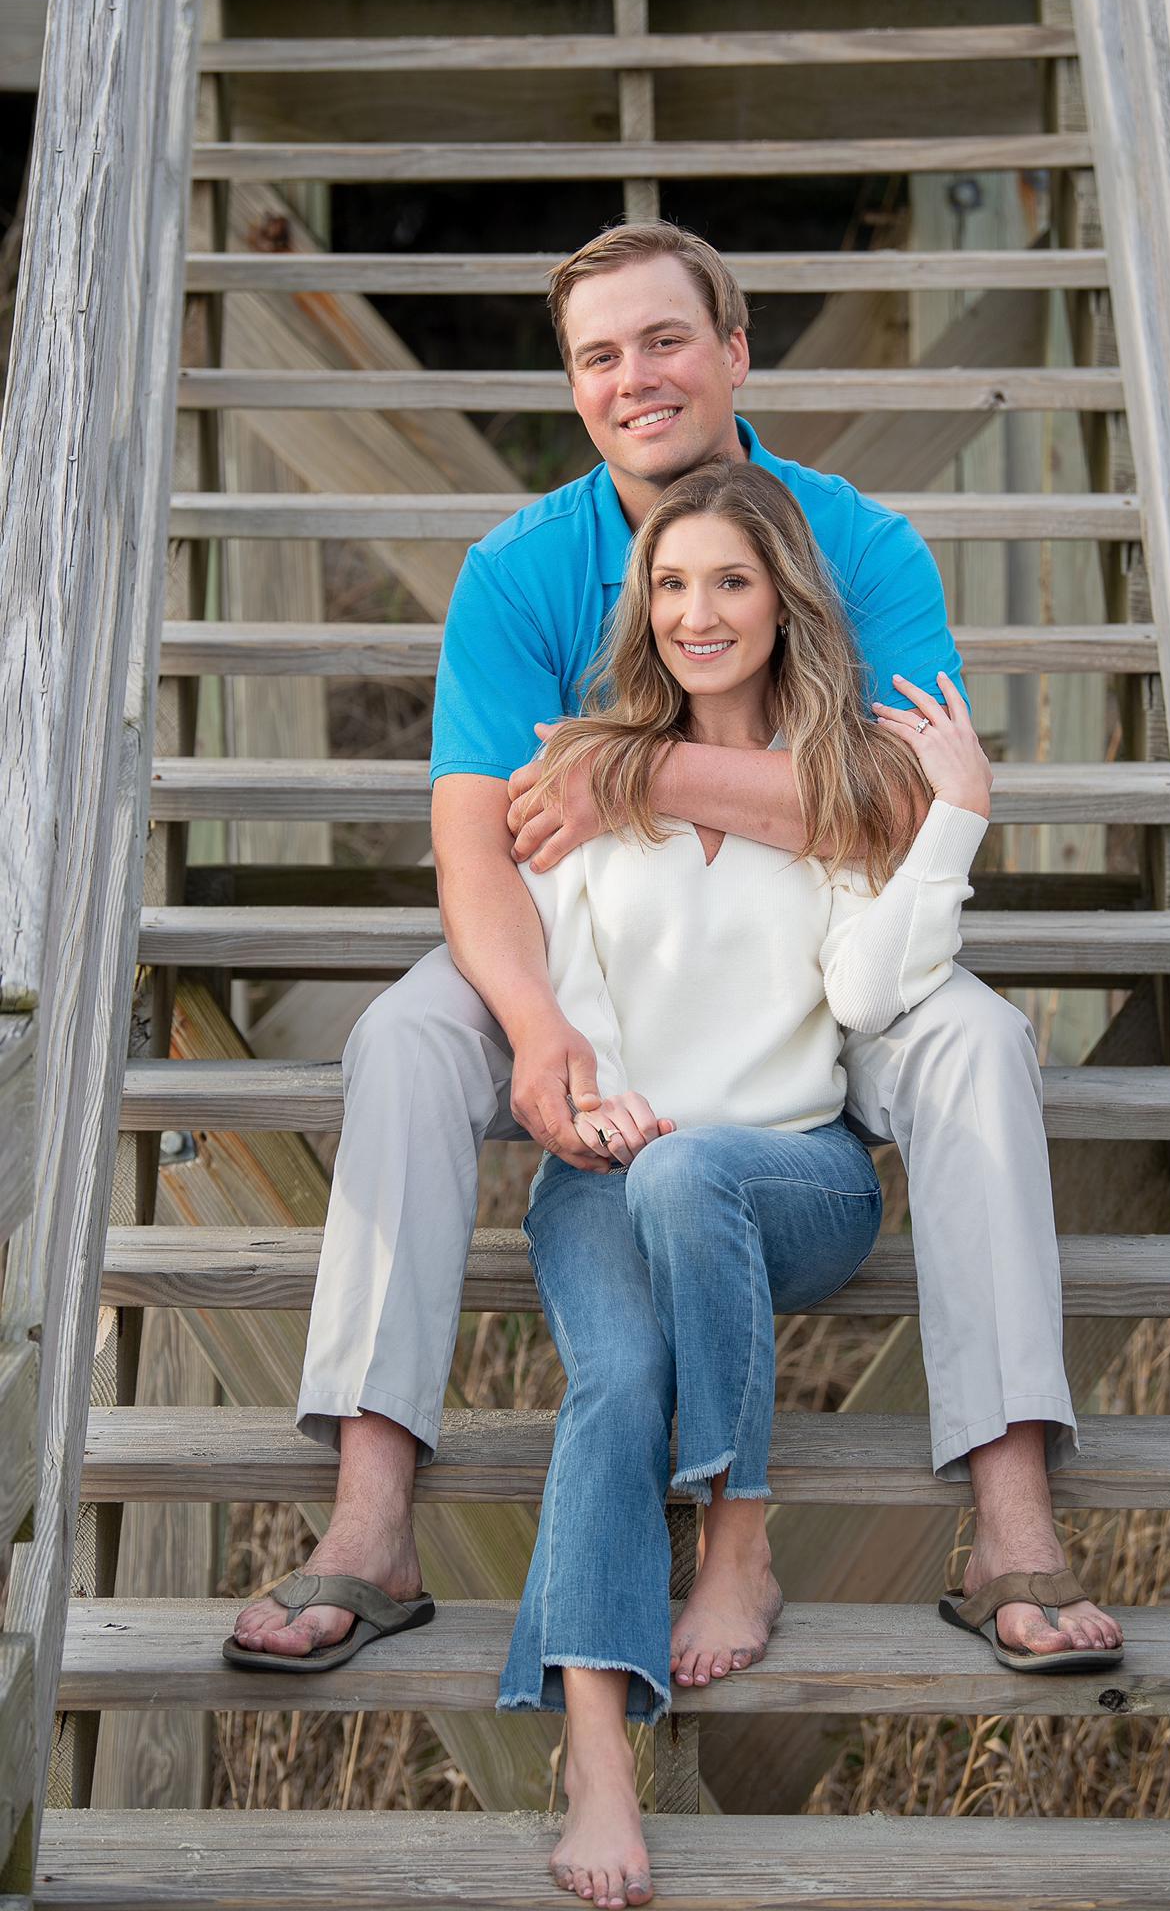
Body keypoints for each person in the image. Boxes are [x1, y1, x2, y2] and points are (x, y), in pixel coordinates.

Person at [226, 219, 1122, 1695]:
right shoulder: (522, 569)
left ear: (736, 352)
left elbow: (903, 808)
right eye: (599, 356)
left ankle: (1013, 1531)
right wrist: (533, 1025)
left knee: (976, 1039)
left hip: (826, 937)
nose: (633, 378)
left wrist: (636, 770)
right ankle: (370, 1521)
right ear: (573, 387)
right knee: (403, 1037)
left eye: (664, 340)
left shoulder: (859, 544)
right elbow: (477, 843)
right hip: (584, 940)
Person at [496, 456, 1019, 1910]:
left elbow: (864, 994)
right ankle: (597, 1759)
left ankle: (738, 1538)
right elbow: (561, 977)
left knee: (695, 1172)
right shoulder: (590, 775)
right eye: (670, 585)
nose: (697, 613)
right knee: (614, 1384)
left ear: (783, 600)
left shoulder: (835, 783)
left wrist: (952, 822)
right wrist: (594, 1100)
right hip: (609, 1173)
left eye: (729, 581)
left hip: (795, 1177)